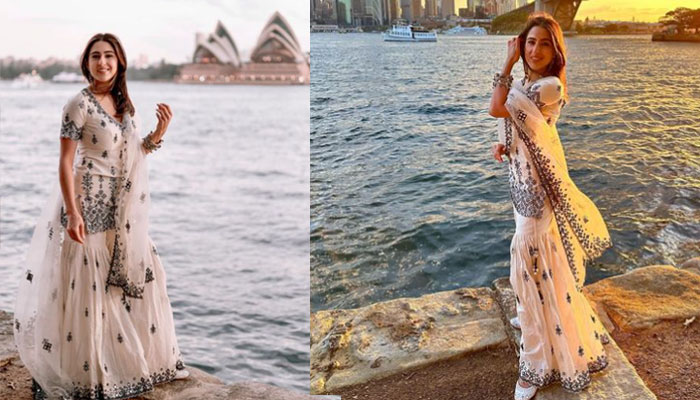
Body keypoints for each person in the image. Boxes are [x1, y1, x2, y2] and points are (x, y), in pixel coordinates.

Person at [13, 33, 189, 400]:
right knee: (91, 292)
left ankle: (131, 361)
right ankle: (90, 374)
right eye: (96, 56)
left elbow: (131, 155)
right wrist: (73, 213)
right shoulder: (78, 104)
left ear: (120, 62)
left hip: (122, 209)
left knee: (146, 273)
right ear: (87, 63)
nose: (102, 62)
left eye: (109, 56)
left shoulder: (124, 104)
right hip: (88, 204)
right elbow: (65, 162)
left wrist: (159, 132)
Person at [488, 13, 613, 400]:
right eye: (529, 43)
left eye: (544, 43)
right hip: (521, 182)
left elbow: (497, 107)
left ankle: (536, 364)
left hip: (537, 191)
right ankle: (533, 312)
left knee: (528, 259)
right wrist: (505, 147)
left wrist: (506, 62)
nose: (534, 50)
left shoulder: (550, 86)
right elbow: (517, 124)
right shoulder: (527, 84)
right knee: (537, 263)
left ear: (556, 50)